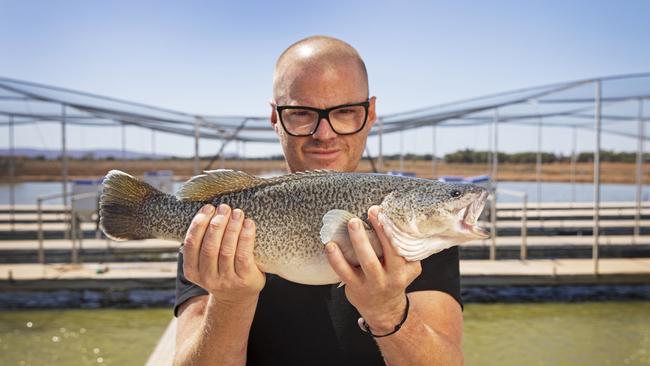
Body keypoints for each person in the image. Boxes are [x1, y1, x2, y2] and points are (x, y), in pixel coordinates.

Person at [173, 35, 463, 366]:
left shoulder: (418, 231)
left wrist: (387, 312)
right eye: (300, 113)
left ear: (370, 114)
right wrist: (229, 302)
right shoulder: (216, 227)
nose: (324, 133)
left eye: (345, 112)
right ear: (275, 118)